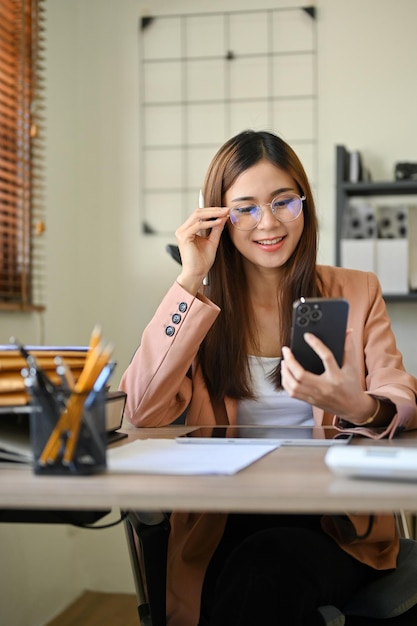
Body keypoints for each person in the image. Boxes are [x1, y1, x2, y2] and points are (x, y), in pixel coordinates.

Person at [120, 130, 417, 626]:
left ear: (304, 203)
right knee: (250, 580)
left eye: (283, 202)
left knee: (263, 573)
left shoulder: (357, 290)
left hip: (331, 522)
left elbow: (400, 395)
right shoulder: (200, 308)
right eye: (245, 208)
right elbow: (141, 409)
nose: (269, 222)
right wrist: (189, 278)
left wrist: (357, 405)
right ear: (217, 217)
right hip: (222, 522)